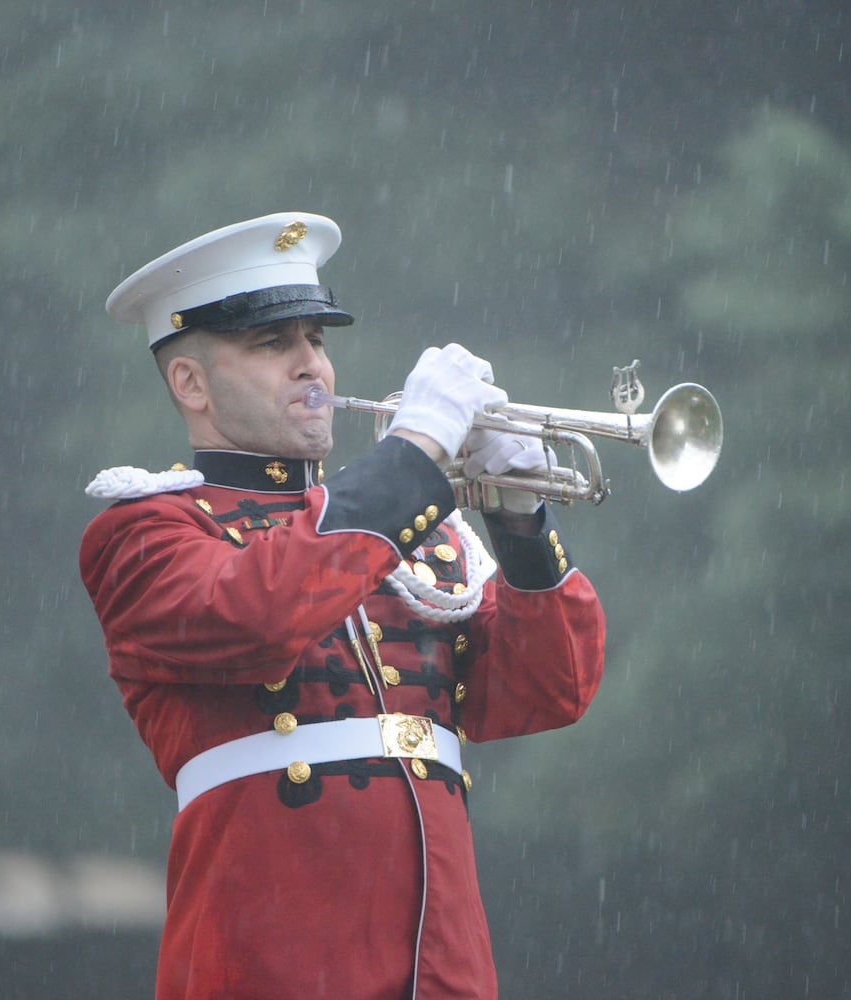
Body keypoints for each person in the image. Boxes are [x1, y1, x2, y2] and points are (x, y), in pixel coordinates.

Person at [78, 212, 606, 999]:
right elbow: (258, 617)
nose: (311, 366)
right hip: (269, 962)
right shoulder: (148, 530)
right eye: (271, 345)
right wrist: (414, 454)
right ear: (189, 383)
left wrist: (521, 521)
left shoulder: (409, 534)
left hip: (445, 967)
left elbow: (546, 691)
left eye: (316, 341)